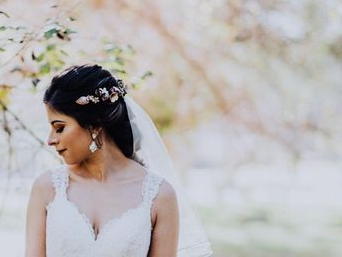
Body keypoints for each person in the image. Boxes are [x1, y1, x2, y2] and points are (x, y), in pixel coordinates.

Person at [25, 64, 212, 257]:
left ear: (95, 125)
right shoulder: (47, 188)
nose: (50, 140)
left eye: (59, 127)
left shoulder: (159, 196)